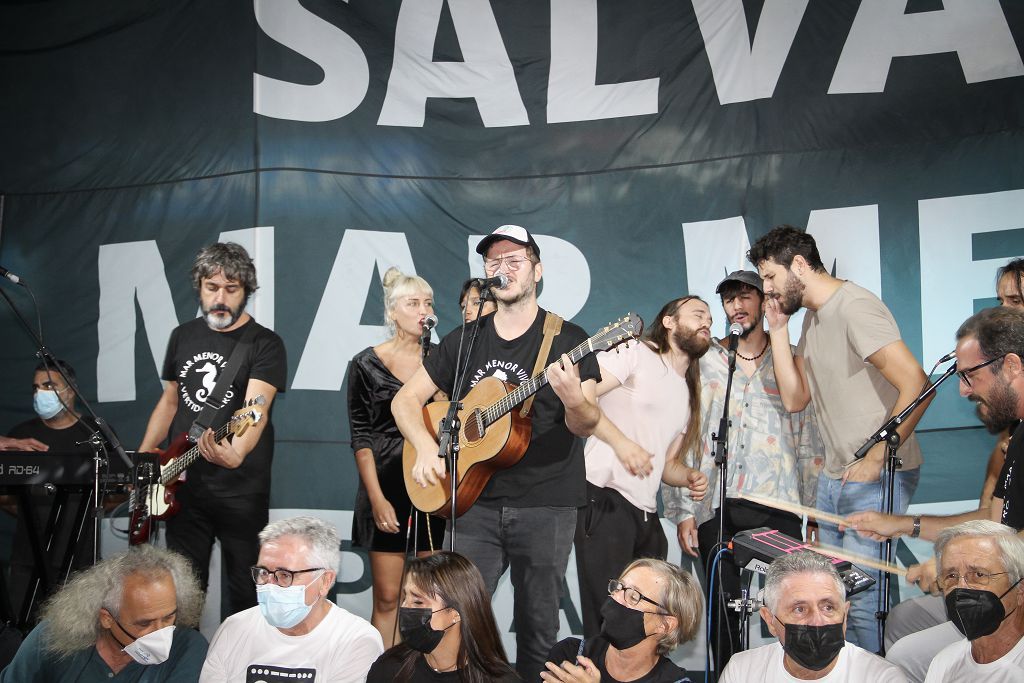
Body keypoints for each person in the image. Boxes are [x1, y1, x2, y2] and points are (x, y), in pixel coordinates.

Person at [393, 224, 602, 680]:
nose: (502, 269)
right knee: (453, 617)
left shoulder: (569, 338)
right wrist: (426, 447)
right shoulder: (464, 340)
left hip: (547, 501)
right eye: (493, 262)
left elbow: (586, 423)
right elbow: (404, 401)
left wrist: (574, 399)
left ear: (537, 271)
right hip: (471, 501)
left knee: (538, 625)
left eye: (514, 261)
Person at [748, 225, 932, 652]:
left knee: (864, 603)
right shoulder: (812, 318)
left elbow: (919, 385)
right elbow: (794, 399)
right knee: (835, 600)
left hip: (875, 475)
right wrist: (777, 330)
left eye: (771, 276)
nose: (767, 288)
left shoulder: (854, 306)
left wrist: (879, 455)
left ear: (798, 264)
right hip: (835, 479)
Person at [842, 306, 1024, 679]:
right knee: (904, 629)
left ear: (1011, 366)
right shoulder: (1017, 436)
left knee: (910, 655)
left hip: (1014, 603)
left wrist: (961, 573)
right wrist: (902, 525)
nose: (962, 390)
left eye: (969, 375)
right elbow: (994, 525)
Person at [663, 270, 825, 672]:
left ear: (763, 300)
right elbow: (683, 435)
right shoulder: (707, 361)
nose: (737, 304)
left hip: (779, 504)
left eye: (745, 295)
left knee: (791, 608)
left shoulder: (788, 357)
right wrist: (684, 509)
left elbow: (807, 439)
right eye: (729, 298)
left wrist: (815, 512)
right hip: (717, 504)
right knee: (723, 615)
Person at [138, 242, 287, 618]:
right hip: (182, 484)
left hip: (241, 490)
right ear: (199, 287)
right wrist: (144, 459)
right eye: (211, 287)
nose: (220, 297)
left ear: (246, 292)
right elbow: (170, 400)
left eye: (231, 289)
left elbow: (257, 409)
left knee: (245, 593)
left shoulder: (265, 343)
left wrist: (236, 452)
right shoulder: (182, 336)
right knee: (182, 594)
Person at [575, 295, 711, 638]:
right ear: (669, 321)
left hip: (647, 516)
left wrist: (689, 477)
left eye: (710, 319)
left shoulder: (687, 392)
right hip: (604, 499)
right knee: (605, 623)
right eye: (698, 314)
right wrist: (620, 442)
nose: (707, 322)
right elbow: (581, 397)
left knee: (645, 629)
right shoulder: (635, 353)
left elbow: (667, 465)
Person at [348, 266, 447, 647]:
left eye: (427, 303)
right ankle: (383, 671)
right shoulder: (365, 363)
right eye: (413, 303)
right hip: (386, 485)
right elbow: (361, 437)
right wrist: (376, 500)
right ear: (392, 312)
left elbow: (451, 420)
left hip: (432, 483)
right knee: (389, 597)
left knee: (432, 597)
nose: (423, 310)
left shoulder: (443, 358)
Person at [200, 516, 383, 682]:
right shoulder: (234, 629)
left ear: (325, 581)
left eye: (285, 575)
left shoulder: (356, 641)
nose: (269, 584)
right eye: (263, 572)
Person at [4, 360, 115, 622]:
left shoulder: (96, 434)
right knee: (22, 631)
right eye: (36, 387)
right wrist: (32, 514)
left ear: (70, 391)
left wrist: (81, 513)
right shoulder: (20, 436)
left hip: (81, 559)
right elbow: (5, 494)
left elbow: (118, 490)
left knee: (79, 634)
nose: (40, 393)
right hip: (27, 559)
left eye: (49, 386)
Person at [0, 544, 207, 681]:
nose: (161, 632)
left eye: (169, 616)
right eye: (144, 624)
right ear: (107, 618)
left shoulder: (188, 646)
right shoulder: (50, 638)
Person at [720, 551, 906, 682]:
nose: (817, 621)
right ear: (770, 620)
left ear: (845, 613)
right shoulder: (742, 672)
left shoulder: (882, 678)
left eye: (828, 607)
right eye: (799, 609)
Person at [366, 552, 518, 682]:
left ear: (455, 613)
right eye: (405, 597)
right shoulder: (390, 668)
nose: (405, 607)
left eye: (418, 601)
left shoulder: (498, 679)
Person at [544, 558, 700, 683]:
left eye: (633, 596)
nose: (616, 597)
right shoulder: (570, 657)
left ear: (665, 624)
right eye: (618, 587)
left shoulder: (675, 680)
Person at [923, 520, 1024, 681]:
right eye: (952, 576)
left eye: (978, 574)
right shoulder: (944, 664)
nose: (961, 587)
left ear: (1020, 589)